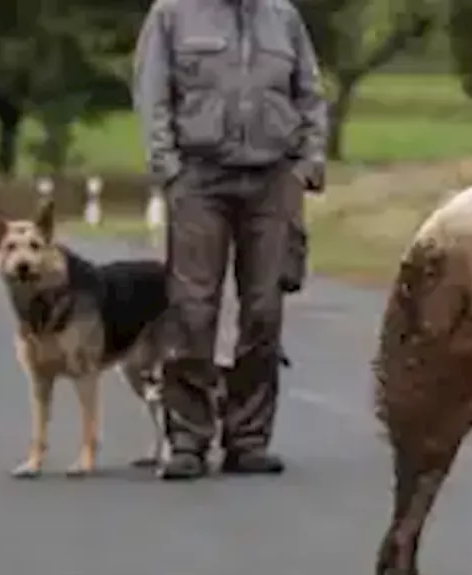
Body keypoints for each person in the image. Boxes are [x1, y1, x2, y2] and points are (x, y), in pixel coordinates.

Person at [132, 0, 328, 480]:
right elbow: (152, 92)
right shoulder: (171, 14)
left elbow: (310, 95)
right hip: (199, 178)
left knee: (264, 309)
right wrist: (169, 170)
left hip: (272, 179)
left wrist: (306, 166)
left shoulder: (283, 16)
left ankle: (248, 439)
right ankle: (187, 440)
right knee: (192, 309)